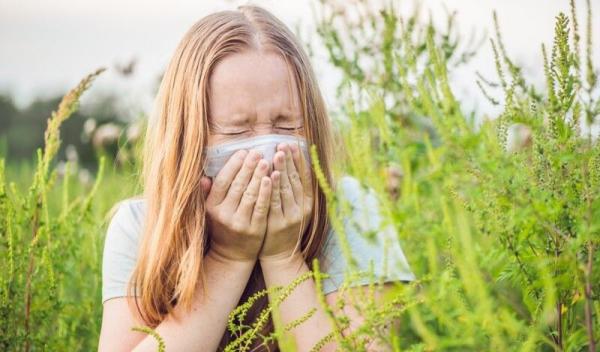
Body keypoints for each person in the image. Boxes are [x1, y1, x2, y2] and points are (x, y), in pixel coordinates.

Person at [98, 4, 414, 351]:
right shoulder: (142, 225)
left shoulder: (352, 208)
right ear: (190, 139)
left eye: (285, 124)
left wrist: (283, 256)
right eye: (237, 130)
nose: (268, 152)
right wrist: (229, 257)